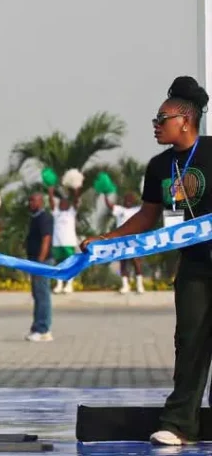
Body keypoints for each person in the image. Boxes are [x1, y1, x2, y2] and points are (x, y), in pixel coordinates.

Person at [81, 76, 211, 446]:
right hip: (194, 269)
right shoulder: (158, 167)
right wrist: (104, 240)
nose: (155, 125)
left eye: (162, 118)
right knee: (190, 342)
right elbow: (146, 217)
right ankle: (180, 424)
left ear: (185, 120)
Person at [25, 192, 54, 342]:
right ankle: (37, 327)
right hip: (33, 260)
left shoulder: (44, 218)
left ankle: (44, 329)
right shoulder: (34, 218)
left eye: (34, 200)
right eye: (30, 200)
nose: (31, 203)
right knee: (37, 294)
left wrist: (40, 262)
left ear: (41, 202)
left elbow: (46, 239)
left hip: (41, 261)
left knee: (42, 295)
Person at [103, 192, 145, 293]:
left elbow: (147, 206)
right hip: (121, 240)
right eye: (126, 199)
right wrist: (105, 194)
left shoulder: (137, 210)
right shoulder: (119, 210)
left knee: (136, 262)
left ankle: (139, 285)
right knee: (123, 263)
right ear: (123, 200)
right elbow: (109, 205)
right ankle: (125, 285)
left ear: (134, 201)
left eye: (130, 199)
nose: (128, 201)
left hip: (133, 240)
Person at [49, 185, 81, 294]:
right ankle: (59, 285)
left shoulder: (71, 212)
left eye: (64, 203)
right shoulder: (56, 213)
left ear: (68, 205)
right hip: (57, 243)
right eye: (61, 203)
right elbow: (52, 203)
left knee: (70, 264)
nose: (62, 204)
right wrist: (50, 192)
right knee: (59, 264)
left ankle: (69, 285)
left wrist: (76, 192)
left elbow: (76, 202)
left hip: (69, 243)